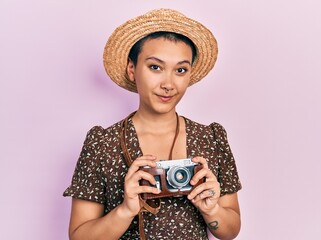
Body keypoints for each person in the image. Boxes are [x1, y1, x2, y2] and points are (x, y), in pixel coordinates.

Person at [63, 8, 242, 240]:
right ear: (132, 69)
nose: (168, 84)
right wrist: (125, 210)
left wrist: (212, 210)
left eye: (180, 70)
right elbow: (79, 236)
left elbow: (230, 231)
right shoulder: (103, 143)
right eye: (155, 67)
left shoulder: (211, 137)